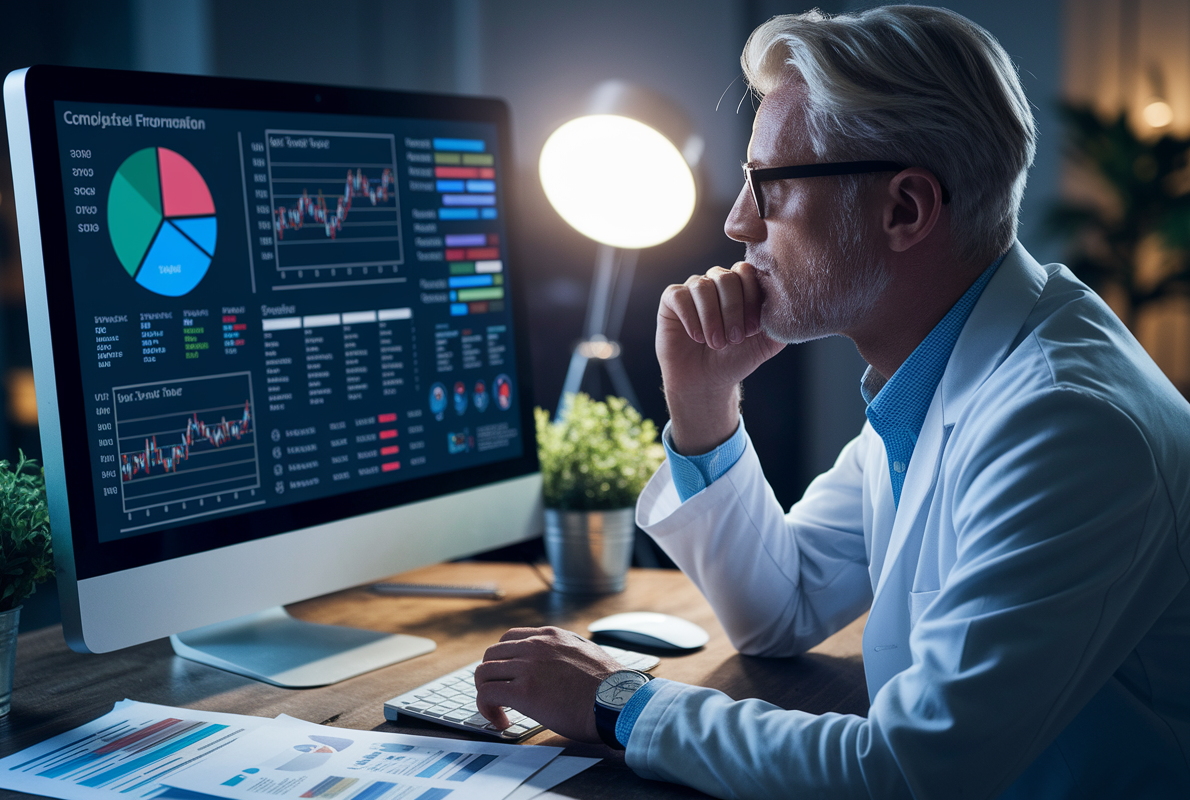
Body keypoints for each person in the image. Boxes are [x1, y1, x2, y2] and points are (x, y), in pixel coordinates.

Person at [473, 5, 1190, 798]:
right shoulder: (934, 372)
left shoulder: (1067, 424)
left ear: (905, 210)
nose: (736, 220)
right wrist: (705, 403)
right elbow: (781, 611)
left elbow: (910, 769)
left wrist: (617, 702)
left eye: (767, 185)